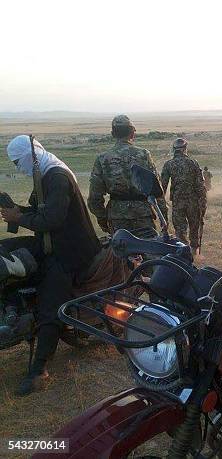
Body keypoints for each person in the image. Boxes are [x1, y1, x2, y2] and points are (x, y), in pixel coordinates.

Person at [1, 136, 101, 395]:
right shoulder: (43, 175)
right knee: (3, 252)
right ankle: (12, 307)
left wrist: (19, 217)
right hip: (50, 242)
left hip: (70, 250)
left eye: (18, 161)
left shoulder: (56, 177)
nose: (17, 167)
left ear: (31, 156)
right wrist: (13, 209)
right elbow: (38, 213)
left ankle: (39, 370)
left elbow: (52, 219)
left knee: (50, 303)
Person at [88, 114, 168, 234]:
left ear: (113, 134)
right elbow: (157, 189)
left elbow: (94, 197)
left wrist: (102, 218)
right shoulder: (143, 155)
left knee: (121, 250)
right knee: (148, 250)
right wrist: (163, 216)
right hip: (143, 216)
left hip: (117, 218)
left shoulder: (103, 158)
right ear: (132, 133)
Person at [161, 138, 206, 254]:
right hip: (193, 201)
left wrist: (162, 205)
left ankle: (183, 253)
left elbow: (162, 187)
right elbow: (200, 185)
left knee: (180, 230)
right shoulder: (193, 162)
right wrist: (203, 203)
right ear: (185, 149)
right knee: (194, 227)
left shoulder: (169, 164)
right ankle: (194, 253)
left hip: (177, 202)